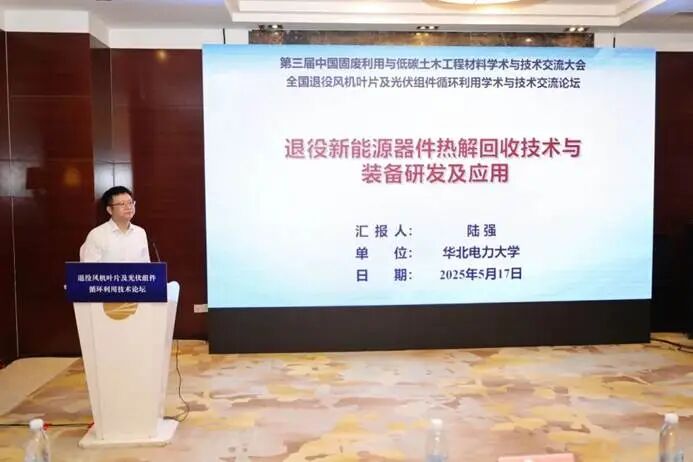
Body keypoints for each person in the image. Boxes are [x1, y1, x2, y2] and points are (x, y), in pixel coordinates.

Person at [80, 186, 151, 262]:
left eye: (130, 202)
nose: (128, 207)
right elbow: (88, 268)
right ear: (110, 210)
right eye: (122, 204)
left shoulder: (140, 232)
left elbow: (146, 265)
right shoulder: (96, 235)